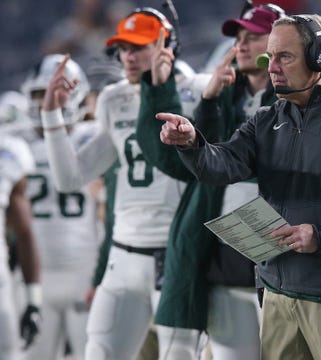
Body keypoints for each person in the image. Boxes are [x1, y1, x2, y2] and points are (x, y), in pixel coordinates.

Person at [157, 14, 321, 360]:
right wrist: (191, 142)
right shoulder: (267, 119)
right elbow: (222, 164)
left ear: (319, 57)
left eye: (283, 57)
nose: (271, 67)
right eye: (269, 57)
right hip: (277, 290)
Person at [39, 8, 206, 360]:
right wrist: (51, 115)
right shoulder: (114, 98)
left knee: (181, 356)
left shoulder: (197, 91)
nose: (127, 57)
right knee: (98, 353)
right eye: (123, 48)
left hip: (176, 254)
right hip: (122, 256)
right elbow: (70, 178)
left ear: (166, 46)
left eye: (138, 47)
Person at [134, 4, 284, 359]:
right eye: (239, 37)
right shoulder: (222, 93)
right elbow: (181, 162)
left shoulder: (303, 98)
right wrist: (208, 100)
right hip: (226, 248)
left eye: (253, 37)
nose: (242, 45)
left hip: (284, 246)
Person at [14, 53, 101, 360]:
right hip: (33, 275)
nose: (43, 102)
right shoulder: (13, 142)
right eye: (37, 94)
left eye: (48, 93)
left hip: (85, 271)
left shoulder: (93, 139)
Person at [0, 132, 41, 360]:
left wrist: (33, 300)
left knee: (11, 353)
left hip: (1, 283)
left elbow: (24, 232)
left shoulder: (8, 154)